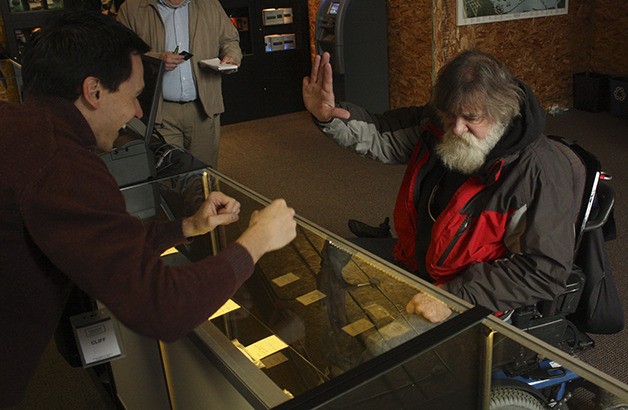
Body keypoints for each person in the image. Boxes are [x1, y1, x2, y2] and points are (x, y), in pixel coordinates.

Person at [0, 11, 296, 407]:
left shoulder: (20, 125)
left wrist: (185, 226)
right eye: (134, 95)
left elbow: (92, 239)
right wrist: (256, 242)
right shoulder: (64, 165)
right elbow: (162, 308)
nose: (138, 112)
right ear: (94, 91)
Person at [302, 50, 577, 323]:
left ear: (502, 112)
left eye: (471, 118)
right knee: (332, 255)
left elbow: (544, 273)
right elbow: (381, 134)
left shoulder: (540, 171)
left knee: (383, 349)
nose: (456, 128)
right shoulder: (437, 122)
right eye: (449, 115)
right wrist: (329, 117)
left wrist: (454, 295)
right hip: (415, 262)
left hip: (471, 297)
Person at [117, 0, 241, 169]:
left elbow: (230, 39)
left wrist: (232, 56)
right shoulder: (132, 8)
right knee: (168, 178)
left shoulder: (209, 4)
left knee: (204, 176)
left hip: (203, 110)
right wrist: (155, 60)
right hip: (160, 113)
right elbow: (119, 53)